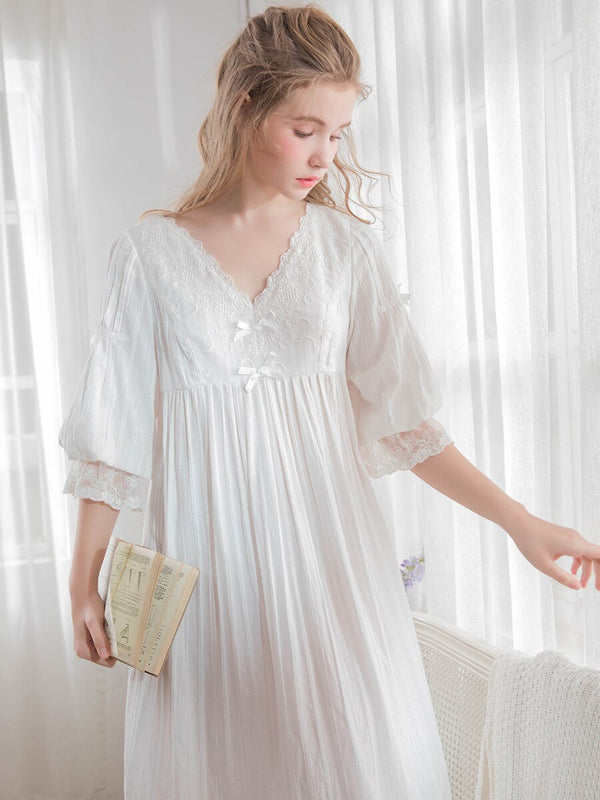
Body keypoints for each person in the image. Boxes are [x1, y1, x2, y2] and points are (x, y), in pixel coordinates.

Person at [58, 5, 600, 799]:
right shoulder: (149, 255)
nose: (324, 155)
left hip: (335, 573)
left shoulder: (345, 251)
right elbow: (110, 439)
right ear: (246, 106)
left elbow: (412, 429)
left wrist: (522, 524)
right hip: (211, 575)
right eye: (305, 129)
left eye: (338, 134)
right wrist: (83, 582)